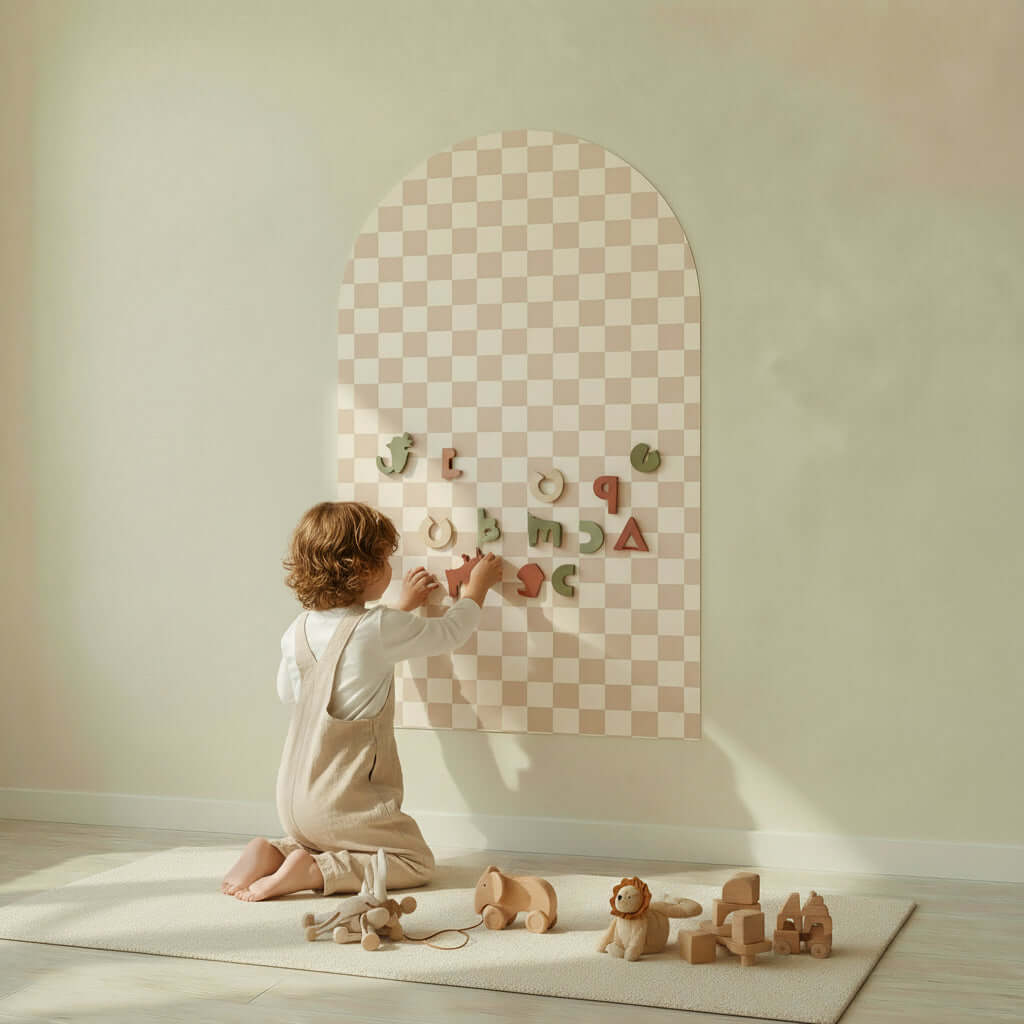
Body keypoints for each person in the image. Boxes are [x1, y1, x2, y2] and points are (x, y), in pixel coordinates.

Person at [221, 500, 502, 901]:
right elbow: (449, 633)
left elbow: (295, 689)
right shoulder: (380, 628)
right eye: (386, 559)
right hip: (342, 803)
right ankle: (315, 871)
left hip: (293, 802)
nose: (391, 567)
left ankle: (272, 852)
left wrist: (402, 607)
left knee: (326, 840)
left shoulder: (297, 630)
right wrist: (477, 587)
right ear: (366, 570)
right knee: (414, 860)